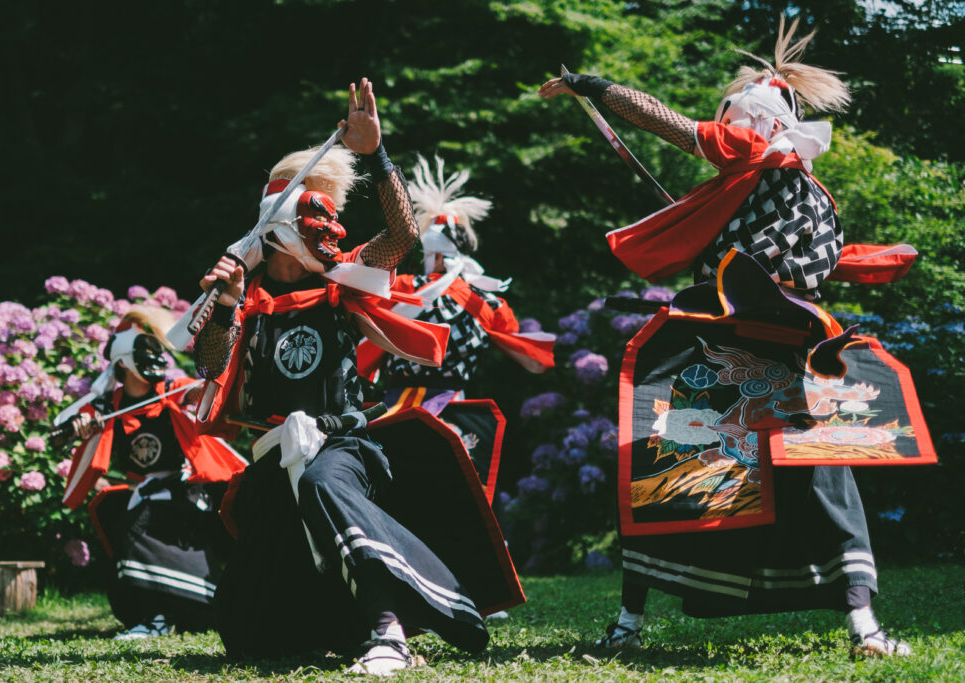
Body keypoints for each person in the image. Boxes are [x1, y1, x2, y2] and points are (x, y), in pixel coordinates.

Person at [540, 18, 917, 658]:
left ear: (757, 123)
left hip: (741, 339)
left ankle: (633, 626)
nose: (727, 134)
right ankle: (864, 628)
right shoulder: (802, 188)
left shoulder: (756, 159)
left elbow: (670, 124)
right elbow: (826, 265)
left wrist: (596, 85)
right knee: (792, 474)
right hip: (787, 341)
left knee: (670, 464)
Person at [193, 78, 520, 675]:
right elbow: (211, 365)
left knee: (320, 481)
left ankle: (387, 630)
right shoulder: (249, 301)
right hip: (269, 455)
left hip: (344, 442)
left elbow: (401, 237)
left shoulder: (344, 284)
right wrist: (221, 304)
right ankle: (335, 622)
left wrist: (375, 154)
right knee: (247, 634)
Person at [358, 155, 555, 498]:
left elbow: (363, 313)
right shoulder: (490, 303)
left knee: (388, 495)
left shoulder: (402, 287)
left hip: (391, 409)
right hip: (457, 415)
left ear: (431, 252)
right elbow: (513, 336)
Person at [59, 306, 246, 640]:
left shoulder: (172, 389)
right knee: (114, 511)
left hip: (184, 492)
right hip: (142, 492)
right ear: (124, 359)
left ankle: (161, 615)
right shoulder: (109, 404)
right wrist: (81, 427)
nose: (157, 358)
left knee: (137, 521)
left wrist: (205, 387)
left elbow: (200, 394)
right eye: (147, 351)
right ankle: (150, 615)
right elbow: (63, 426)